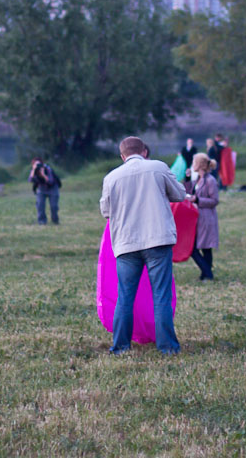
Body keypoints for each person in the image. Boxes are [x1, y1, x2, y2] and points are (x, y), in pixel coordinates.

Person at [99, 136, 187, 355]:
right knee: (161, 295)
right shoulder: (158, 168)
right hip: (157, 240)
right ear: (144, 151)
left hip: (126, 243)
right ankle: (167, 347)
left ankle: (120, 346)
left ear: (122, 156)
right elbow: (179, 194)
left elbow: (105, 211)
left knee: (125, 296)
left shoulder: (111, 177)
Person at [187, 153, 219, 281]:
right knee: (198, 247)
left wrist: (198, 200)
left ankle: (207, 274)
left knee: (204, 247)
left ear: (199, 165)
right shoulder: (198, 179)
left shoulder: (210, 180)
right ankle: (205, 273)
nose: (192, 165)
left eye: (194, 163)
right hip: (198, 218)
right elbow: (189, 191)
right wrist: (187, 178)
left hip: (206, 218)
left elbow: (214, 200)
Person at [29, 158, 61, 225]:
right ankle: (42, 221)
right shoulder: (34, 171)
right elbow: (30, 180)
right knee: (40, 205)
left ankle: (55, 221)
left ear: (42, 164)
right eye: (35, 164)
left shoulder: (48, 169)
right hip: (41, 189)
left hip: (53, 189)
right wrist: (33, 170)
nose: (38, 166)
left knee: (54, 206)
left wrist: (43, 174)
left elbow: (50, 181)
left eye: (39, 164)